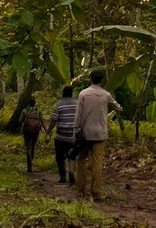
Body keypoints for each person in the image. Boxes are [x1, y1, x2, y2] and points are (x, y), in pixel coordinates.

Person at [73, 68, 121, 201]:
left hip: (85, 133)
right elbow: (118, 107)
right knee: (97, 162)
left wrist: (76, 129)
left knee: (81, 160)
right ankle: (96, 191)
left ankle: (81, 189)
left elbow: (78, 114)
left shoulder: (83, 94)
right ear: (102, 80)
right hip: (100, 134)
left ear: (90, 79)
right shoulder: (106, 95)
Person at [49, 85, 78, 185]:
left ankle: (62, 177)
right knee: (72, 155)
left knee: (60, 157)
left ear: (63, 93)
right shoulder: (77, 104)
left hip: (61, 136)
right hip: (74, 136)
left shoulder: (58, 105)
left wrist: (48, 131)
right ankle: (71, 171)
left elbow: (53, 120)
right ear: (71, 94)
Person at [20, 96, 44, 173]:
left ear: (28, 103)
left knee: (28, 147)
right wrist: (46, 131)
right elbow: (42, 121)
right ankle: (31, 160)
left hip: (27, 131)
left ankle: (29, 165)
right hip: (35, 131)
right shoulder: (38, 111)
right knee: (33, 146)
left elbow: (20, 120)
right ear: (35, 102)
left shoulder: (24, 111)